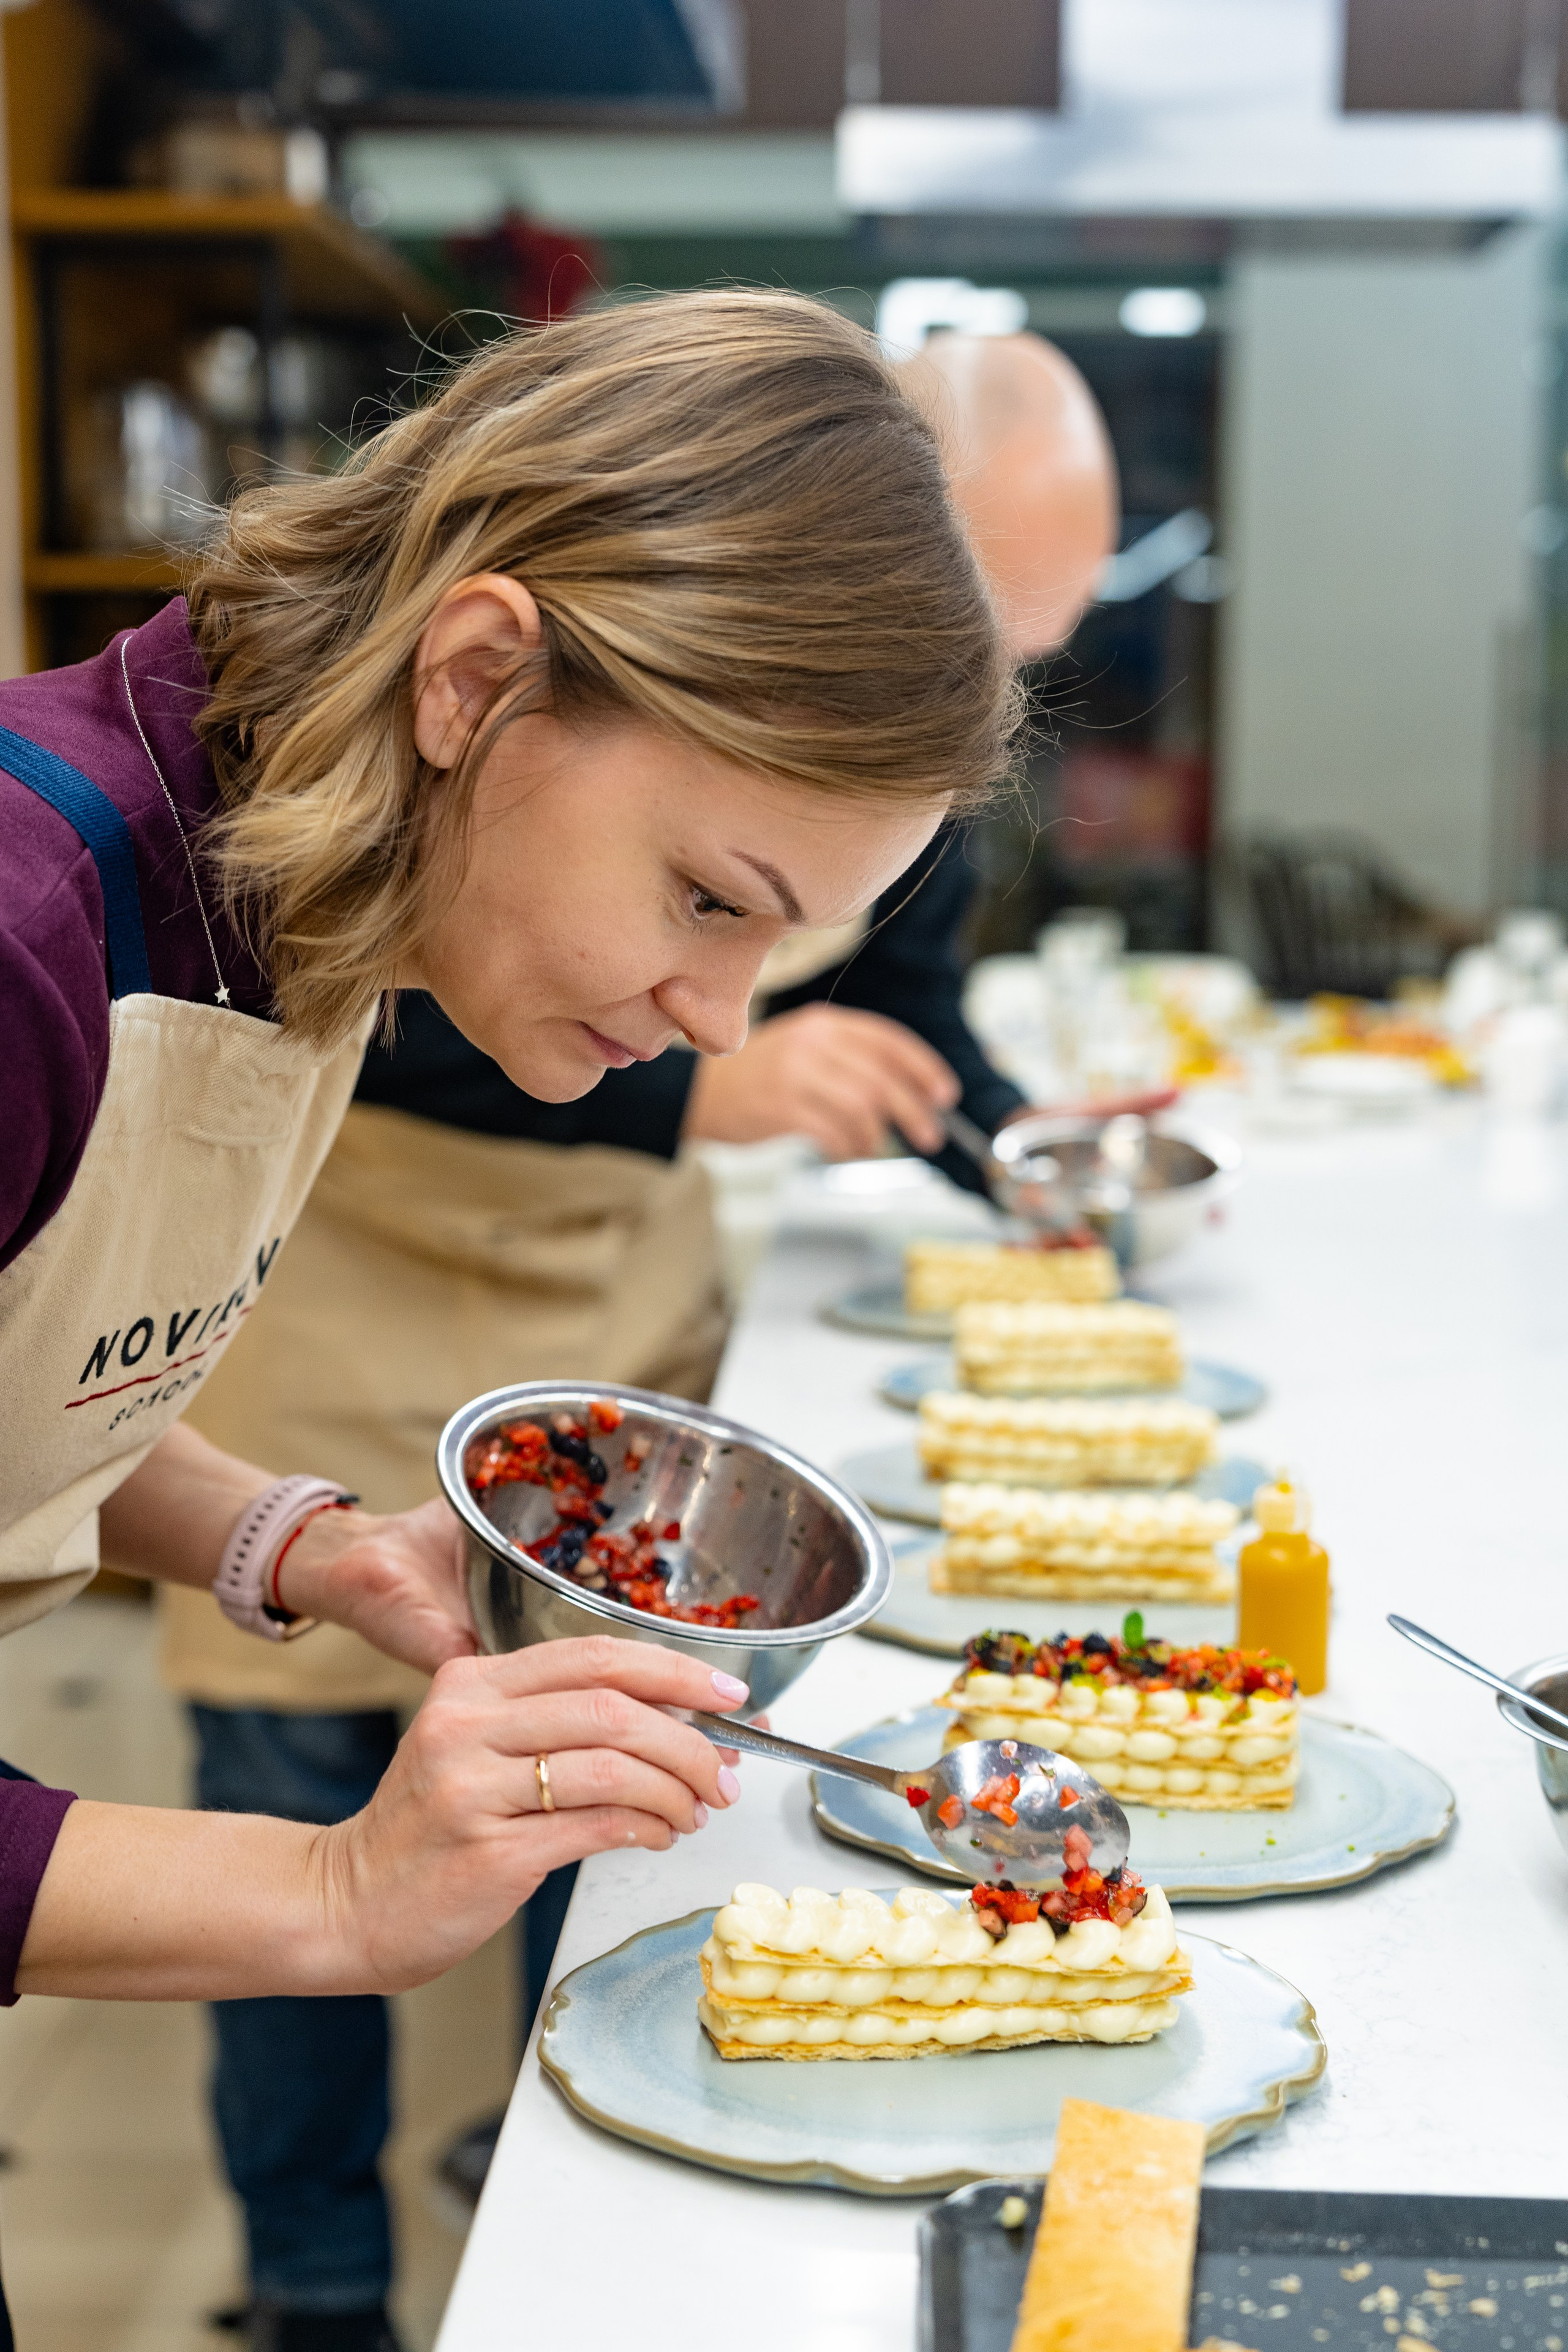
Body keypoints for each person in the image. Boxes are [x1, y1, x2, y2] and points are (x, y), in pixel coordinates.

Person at [0, 289, 1020, 2352]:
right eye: (709, 900)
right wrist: (334, 1897)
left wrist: (290, 1540)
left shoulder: (300, 881)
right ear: (476, 676)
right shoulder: (28, 934)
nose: (717, 1019)